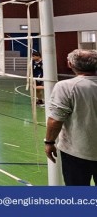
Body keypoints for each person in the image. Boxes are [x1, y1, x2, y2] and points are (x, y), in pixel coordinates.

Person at [45, 49, 97, 186]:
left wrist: (49, 142)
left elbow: (55, 119)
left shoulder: (66, 86)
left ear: (70, 64)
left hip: (77, 153)